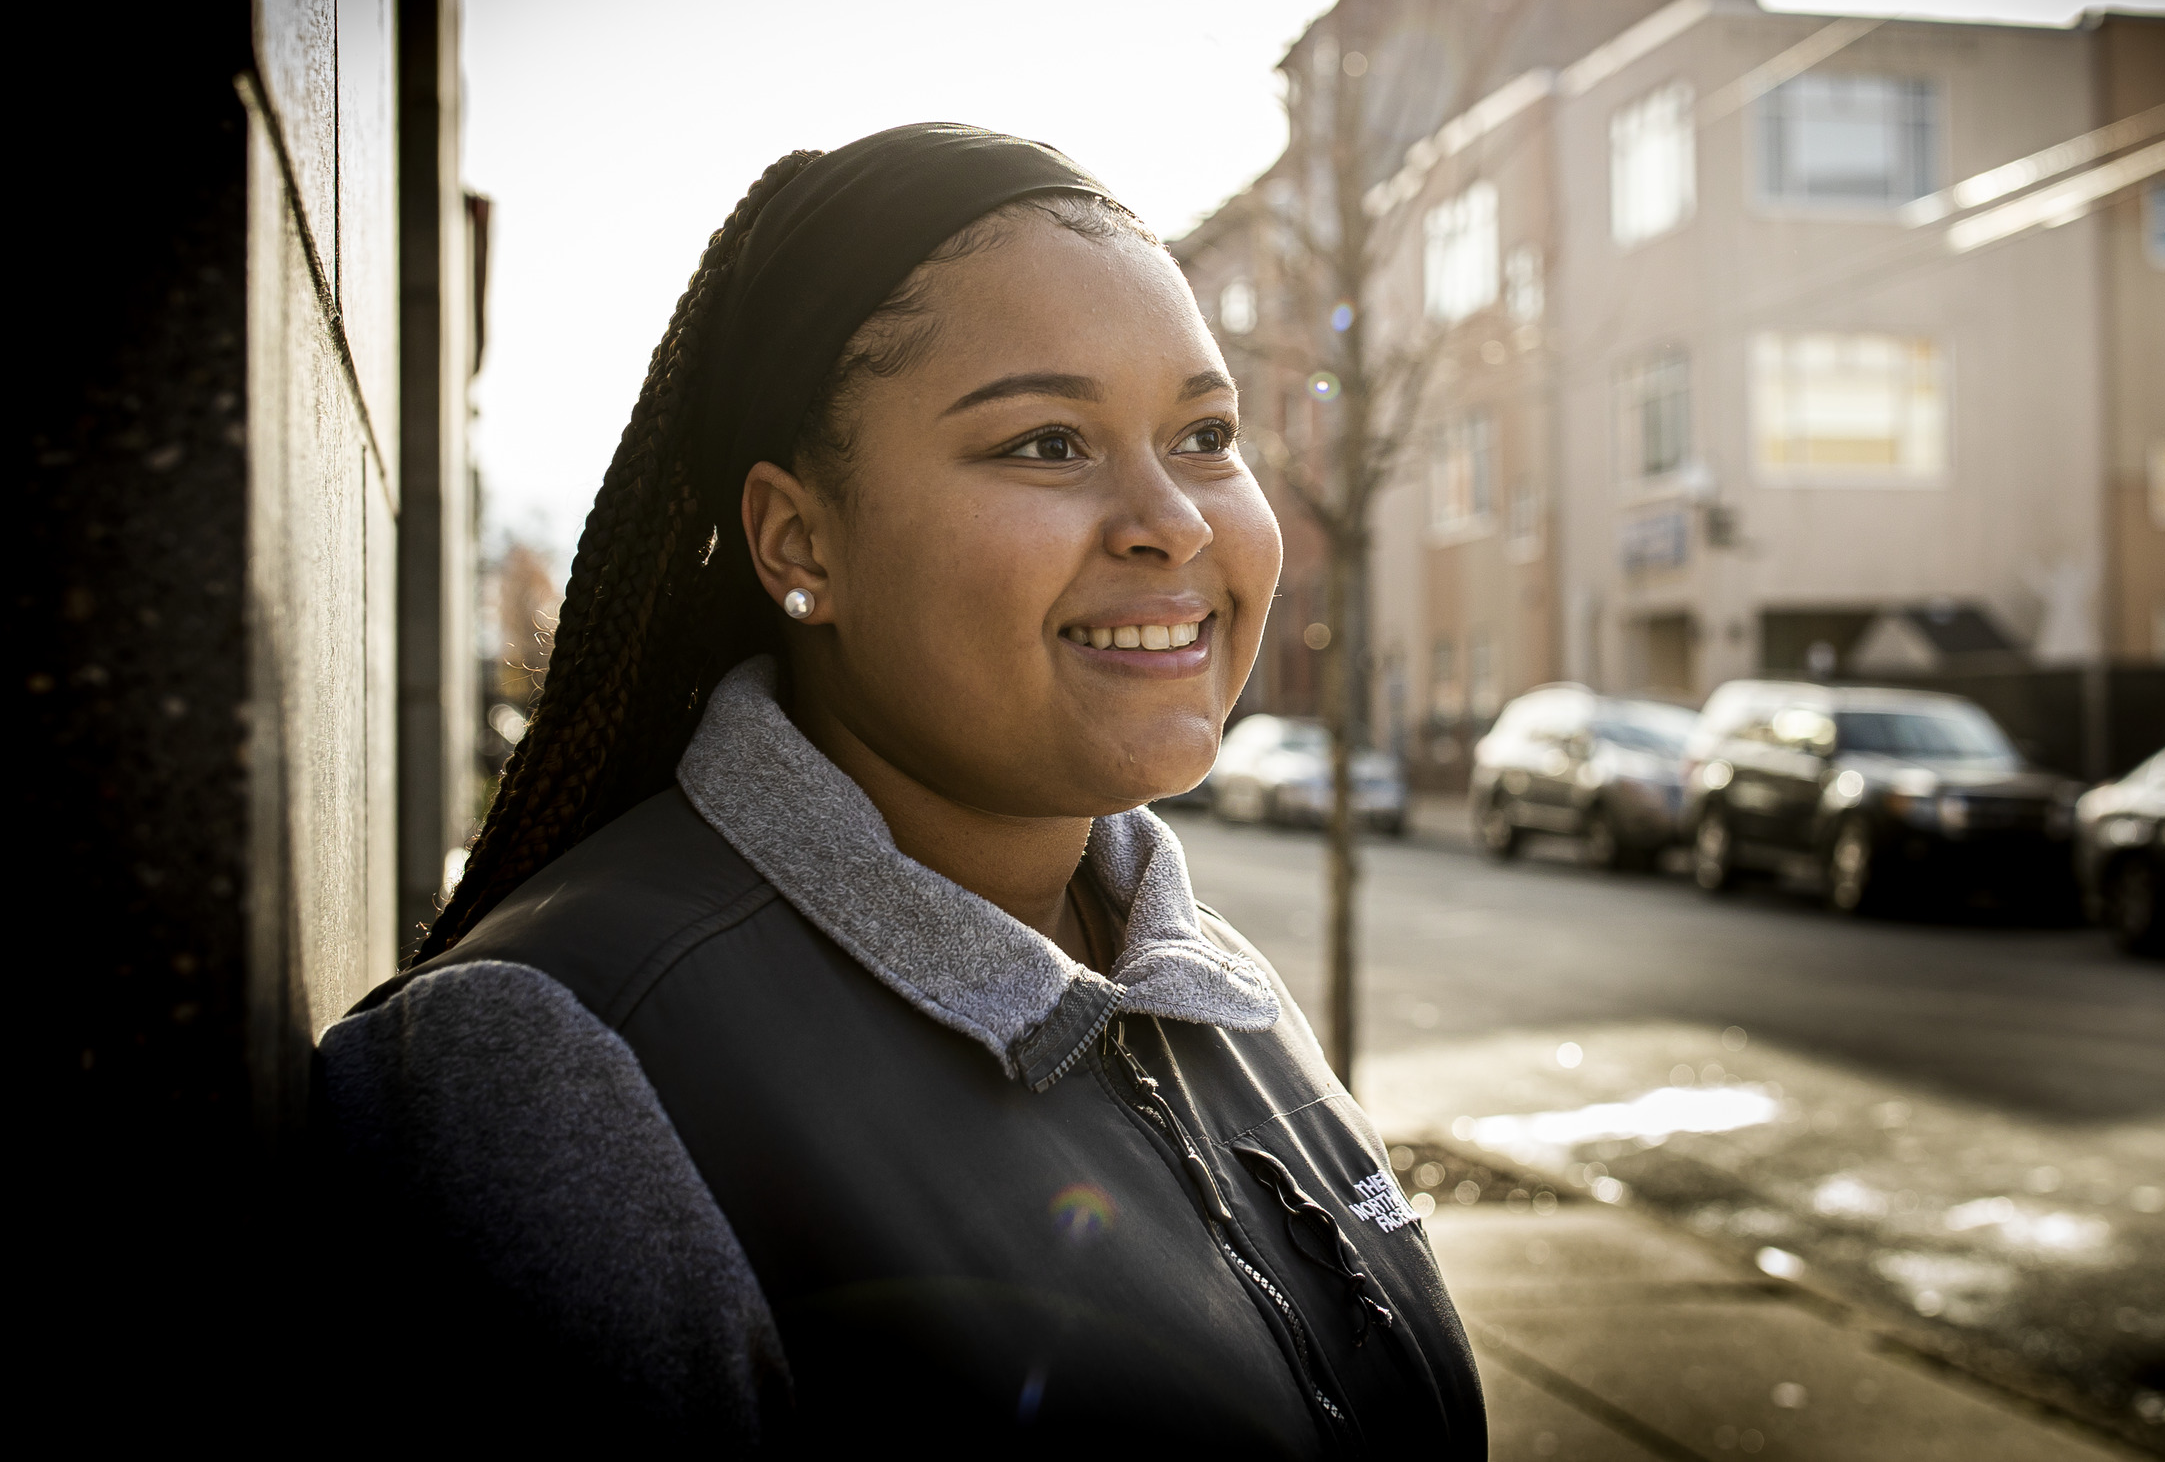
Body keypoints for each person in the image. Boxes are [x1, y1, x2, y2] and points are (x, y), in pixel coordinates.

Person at [318, 124, 1486, 1453]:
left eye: (1207, 433)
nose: (1173, 520)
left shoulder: (1209, 980)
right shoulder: (545, 1074)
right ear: (799, 538)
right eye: (1048, 443)